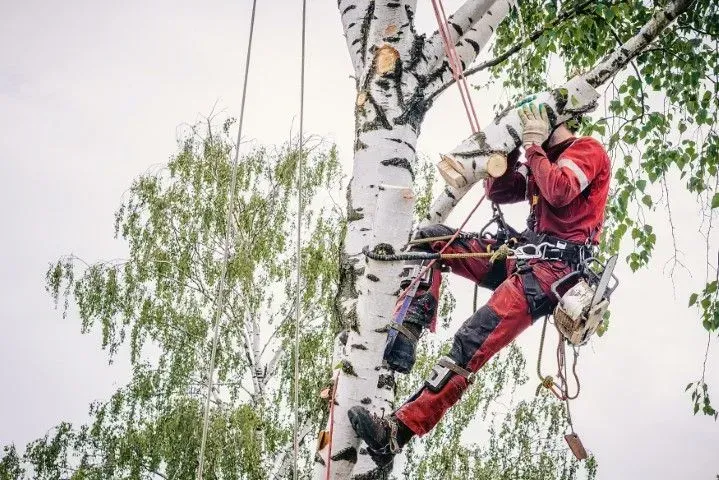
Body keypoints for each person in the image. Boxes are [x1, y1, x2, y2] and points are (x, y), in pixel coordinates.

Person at [348, 103, 612, 468]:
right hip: (520, 257)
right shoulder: (541, 159)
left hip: (550, 275)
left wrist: (534, 147)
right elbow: (499, 191)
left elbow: (561, 190)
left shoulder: (586, 151)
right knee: (430, 240)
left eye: (535, 123)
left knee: (471, 342)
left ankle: (396, 433)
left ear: (558, 119)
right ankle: (407, 331)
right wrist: (508, 149)